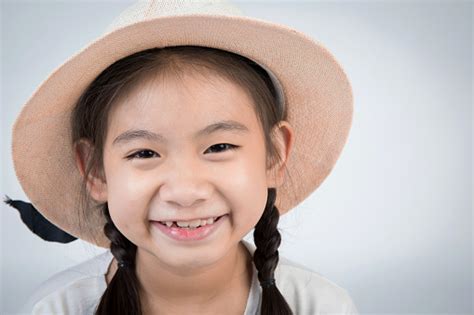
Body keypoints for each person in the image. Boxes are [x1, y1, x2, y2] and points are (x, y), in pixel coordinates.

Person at [9, 1, 358, 314]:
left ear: (274, 156)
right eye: (144, 153)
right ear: (96, 171)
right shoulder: (58, 309)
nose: (186, 191)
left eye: (219, 147)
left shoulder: (321, 306)